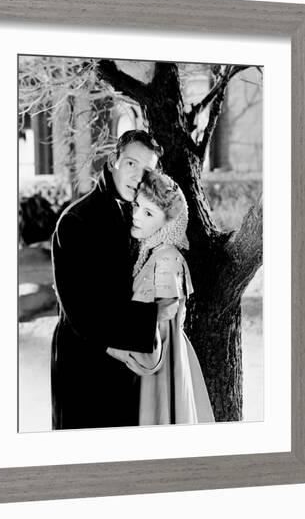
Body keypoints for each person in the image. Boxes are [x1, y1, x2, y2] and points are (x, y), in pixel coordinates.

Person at [51, 130, 165, 430]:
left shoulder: (139, 218)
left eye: (147, 170)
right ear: (113, 161)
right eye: (130, 163)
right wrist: (156, 315)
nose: (138, 176)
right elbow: (83, 311)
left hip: (125, 365)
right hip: (83, 367)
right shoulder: (76, 221)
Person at [107, 170, 215, 425]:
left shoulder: (165, 259)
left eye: (148, 213)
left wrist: (110, 347)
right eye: (137, 206)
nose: (135, 216)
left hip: (160, 368)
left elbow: (159, 333)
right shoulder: (152, 253)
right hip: (158, 359)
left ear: (168, 223)